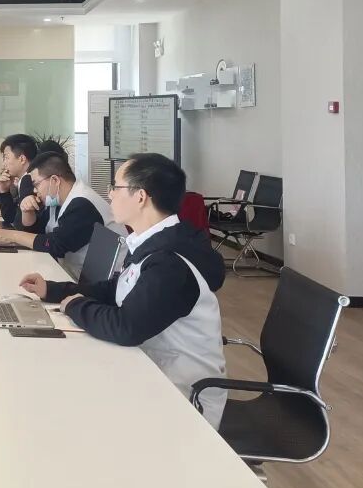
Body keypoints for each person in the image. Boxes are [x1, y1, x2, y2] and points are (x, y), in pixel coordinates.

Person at [19, 154, 227, 427]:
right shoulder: (151, 242)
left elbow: (126, 327)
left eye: (116, 187)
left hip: (182, 395)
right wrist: (55, 290)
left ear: (140, 197)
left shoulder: (170, 262)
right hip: (150, 367)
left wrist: (74, 305)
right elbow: (117, 289)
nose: (110, 194)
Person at [0, 152, 116, 276]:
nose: (35, 190)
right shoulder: (56, 200)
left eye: (36, 184)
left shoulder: (82, 203)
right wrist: (27, 212)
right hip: (72, 273)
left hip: (97, 284)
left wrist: (12, 235)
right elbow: (39, 234)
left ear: (55, 180)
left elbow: (54, 245)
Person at [0, 133, 39, 231]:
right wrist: (4, 190)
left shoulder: (28, 179)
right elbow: (10, 218)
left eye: (6, 158)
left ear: (22, 159)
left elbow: (19, 225)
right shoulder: (25, 179)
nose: (4, 163)